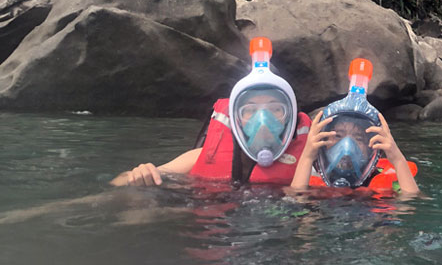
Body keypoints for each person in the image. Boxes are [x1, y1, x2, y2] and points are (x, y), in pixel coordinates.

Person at [110, 37, 312, 187]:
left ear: (291, 117)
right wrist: (139, 175)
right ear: (235, 118)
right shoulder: (199, 157)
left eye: (275, 109)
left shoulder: (308, 162)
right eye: (249, 110)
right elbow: (119, 182)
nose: (263, 120)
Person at [290, 110, 419, 194]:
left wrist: (397, 159)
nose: (347, 146)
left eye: (358, 139)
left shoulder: (379, 182)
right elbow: (297, 205)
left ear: (371, 148)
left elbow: (411, 208)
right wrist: (307, 158)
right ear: (322, 144)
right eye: (338, 136)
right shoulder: (310, 177)